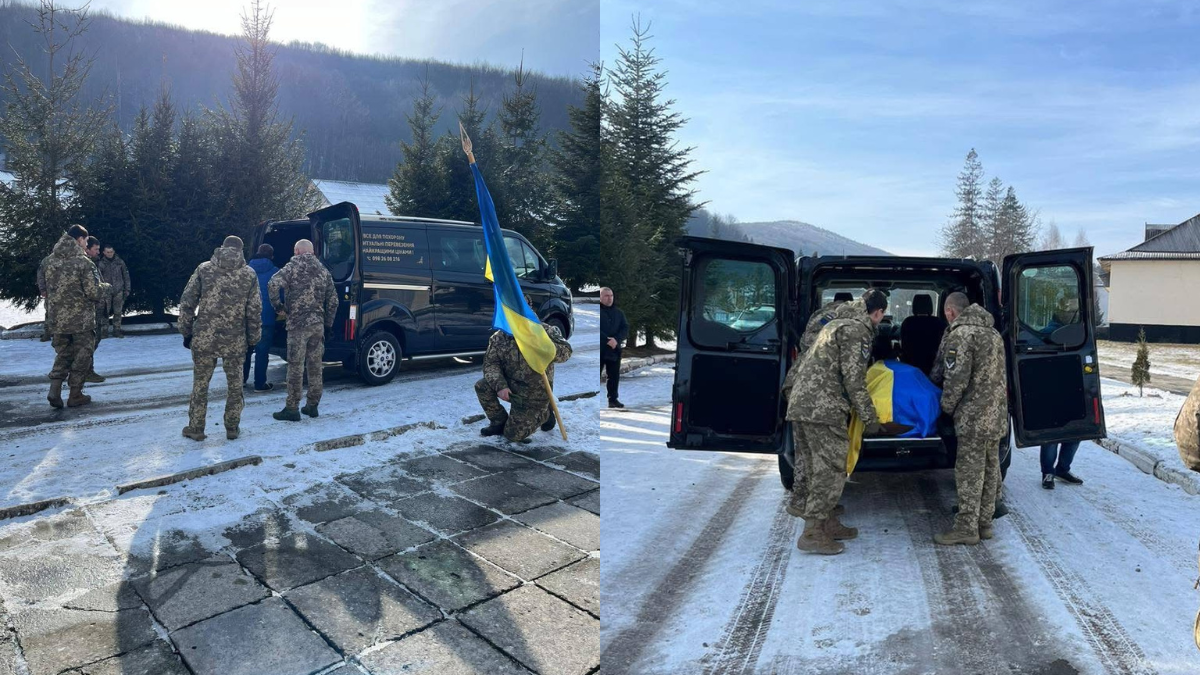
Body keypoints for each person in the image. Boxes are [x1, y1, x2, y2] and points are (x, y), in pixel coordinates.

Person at [787, 289, 888, 555]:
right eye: (881, 316)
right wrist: (870, 419)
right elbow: (854, 382)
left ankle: (828, 523)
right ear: (878, 313)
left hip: (802, 403)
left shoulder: (834, 324)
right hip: (823, 408)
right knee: (831, 469)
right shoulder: (857, 331)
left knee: (813, 466)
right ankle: (812, 533)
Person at [932, 292, 1008, 546]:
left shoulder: (961, 335)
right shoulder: (993, 334)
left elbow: (956, 379)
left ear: (950, 312)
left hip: (973, 418)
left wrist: (945, 408)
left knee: (968, 473)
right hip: (995, 416)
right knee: (989, 470)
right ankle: (984, 524)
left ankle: (966, 528)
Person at [178, 236, 261, 441]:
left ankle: (196, 428)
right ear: (242, 250)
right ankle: (232, 427)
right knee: (235, 385)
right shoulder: (249, 274)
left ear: (223, 247)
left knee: (200, 385)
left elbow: (187, 302)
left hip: (204, 338)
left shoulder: (204, 269)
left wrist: (186, 332)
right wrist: (253, 339)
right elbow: (254, 310)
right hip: (235, 340)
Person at [476, 299, 573, 443]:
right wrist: (501, 386)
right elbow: (491, 365)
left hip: (535, 393)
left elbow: (566, 352)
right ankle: (499, 422)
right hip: (510, 386)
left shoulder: (544, 331)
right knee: (482, 386)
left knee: (512, 435)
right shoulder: (499, 337)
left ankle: (545, 412)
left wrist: (544, 346)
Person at [268, 239, 338, 421]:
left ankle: (292, 408)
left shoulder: (292, 267)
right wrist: (328, 324)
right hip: (317, 325)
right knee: (315, 366)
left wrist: (279, 307)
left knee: (295, 366)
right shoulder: (323, 271)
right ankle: (312, 406)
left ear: (297, 251)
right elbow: (333, 301)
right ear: (312, 252)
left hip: (298, 325)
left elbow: (272, 284)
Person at [43, 225, 108, 408]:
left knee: (63, 354)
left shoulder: (49, 261)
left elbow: (45, 288)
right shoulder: (84, 263)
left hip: (57, 319)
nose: (86, 245)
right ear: (79, 239)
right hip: (81, 321)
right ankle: (75, 394)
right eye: (86, 241)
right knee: (82, 356)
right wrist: (106, 287)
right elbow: (93, 292)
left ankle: (54, 390)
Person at [243, 244, 280, 392]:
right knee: (262, 353)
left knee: (245, 351)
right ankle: (260, 384)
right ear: (271, 256)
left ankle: (241, 381)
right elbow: (280, 295)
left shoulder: (245, 271)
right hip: (266, 318)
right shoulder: (275, 272)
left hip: (246, 318)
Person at [83, 236, 107, 384]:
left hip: (98, 308)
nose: (98, 252)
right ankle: (86, 371)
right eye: (96, 249)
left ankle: (88, 370)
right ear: (87, 249)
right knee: (89, 342)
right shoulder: (86, 265)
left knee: (95, 341)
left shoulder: (95, 262)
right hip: (90, 309)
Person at [599, 287, 628, 408]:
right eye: (606, 296)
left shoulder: (619, 313)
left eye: (611, 295)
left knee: (614, 376)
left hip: (614, 349)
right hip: (600, 349)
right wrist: (606, 340)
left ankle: (613, 399)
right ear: (600, 297)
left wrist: (616, 339)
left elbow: (625, 328)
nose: (609, 298)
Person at [97, 244, 131, 337]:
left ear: (114, 252)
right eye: (107, 252)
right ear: (104, 252)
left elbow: (126, 276)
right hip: (106, 291)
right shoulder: (101, 264)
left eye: (111, 252)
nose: (110, 254)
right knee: (105, 312)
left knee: (118, 312)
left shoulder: (120, 262)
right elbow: (98, 278)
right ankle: (104, 332)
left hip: (119, 290)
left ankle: (117, 330)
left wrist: (127, 289)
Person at [36, 254, 53, 341]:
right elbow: (41, 275)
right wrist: (43, 290)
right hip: (50, 293)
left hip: (65, 293)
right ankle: (47, 333)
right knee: (49, 313)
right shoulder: (47, 261)